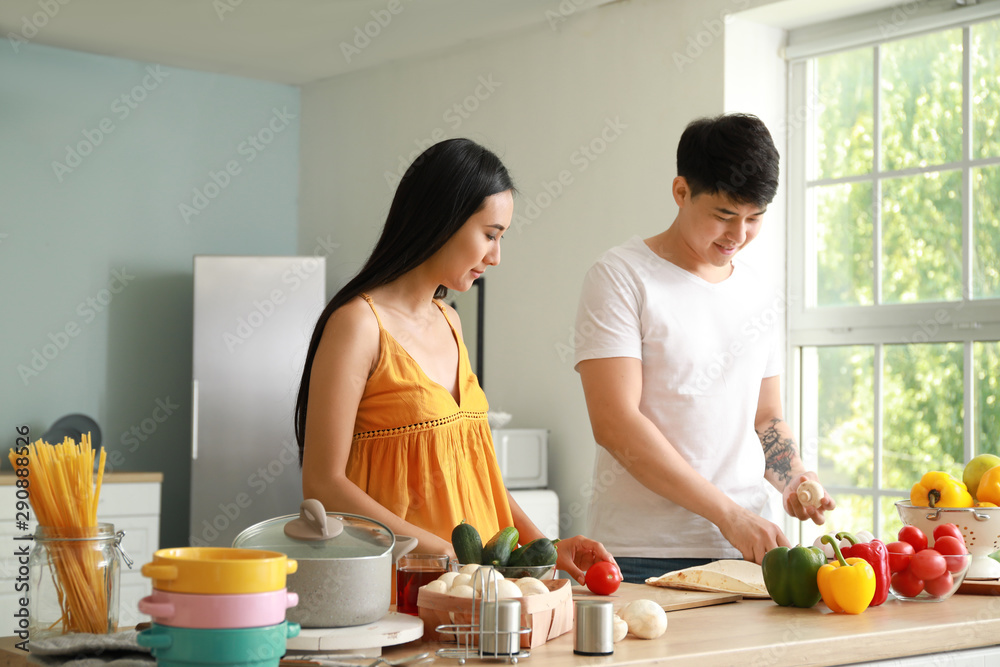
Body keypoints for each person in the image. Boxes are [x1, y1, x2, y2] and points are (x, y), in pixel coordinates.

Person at [295, 138, 614, 584]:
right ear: (440, 219)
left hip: (476, 589)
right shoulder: (358, 325)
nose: (496, 256)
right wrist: (440, 552)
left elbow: (469, 468)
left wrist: (543, 545)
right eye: (490, 235)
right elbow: (324, 487)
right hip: (403, 585)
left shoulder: (450, 321)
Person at [573, 113, 835, 584]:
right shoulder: (620, 276)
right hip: (643, 552)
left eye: (755, 219)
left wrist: (793, 477)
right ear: (681, 192)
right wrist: (728, 516)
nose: (738, 236)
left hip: (750, 551)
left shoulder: (758, 292)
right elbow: (614, 423)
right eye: (724, 215)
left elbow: (766, 419)